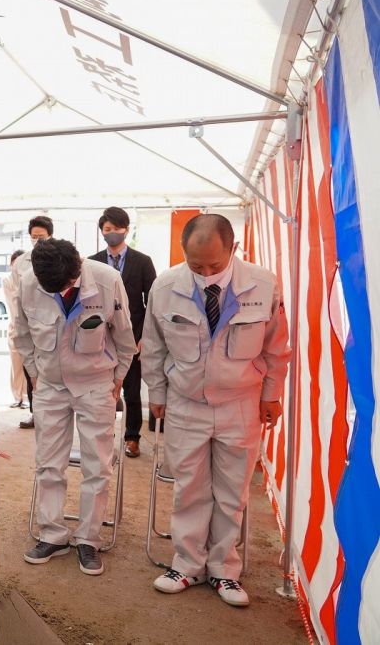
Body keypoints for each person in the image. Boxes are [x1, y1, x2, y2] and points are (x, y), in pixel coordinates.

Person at [143, 214, 290, 607]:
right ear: (183, 253)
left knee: (232, 491)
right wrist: (156, 392)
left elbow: (276, 347)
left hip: (240, 402)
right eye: (197, 266)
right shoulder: (165, 286)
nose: (206, 274)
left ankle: (225, 570)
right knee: (189, 487)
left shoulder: (262, 284)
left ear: (234, 250)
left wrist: (271, 394)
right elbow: (153, 345)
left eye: (215, 265)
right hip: (185, 402)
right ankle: (187, 565)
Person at [13, 238, 136, 576]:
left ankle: (88, 539)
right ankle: (52, 534)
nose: (63, 290)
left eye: (68, 284)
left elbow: (125, 338)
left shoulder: (108, 280)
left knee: (98, 466)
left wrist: (118, 378)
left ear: (78, 268)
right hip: (50, 386)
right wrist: (35, 375)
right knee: (48, 463)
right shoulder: (28, 283)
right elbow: (21, 334)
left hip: (96, 384)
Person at [88, 207, 157, 458]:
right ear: (102, 232)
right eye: (108, 230)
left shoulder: (142, 261)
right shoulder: (92, 262)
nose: (113, 233)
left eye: (117, 229)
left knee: (132, 389)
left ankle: (132, 437)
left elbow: (153, 303)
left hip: (133, 336)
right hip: (101, 338)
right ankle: (105, 434)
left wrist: (144, 337)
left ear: (126, 229)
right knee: (102, 389)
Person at [6, 215, 53, 429]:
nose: (37, 240)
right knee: (30, 369)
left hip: (53, 325)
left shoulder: (58, 257)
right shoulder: (22, 262)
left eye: (41, 236)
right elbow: (16, 295)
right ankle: (35, 413)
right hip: (29, 324)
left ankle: (54, 413)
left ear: (50, 235)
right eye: (34, 236)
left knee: (51, 371)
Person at [2, 249, 28, 409]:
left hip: (30, 329)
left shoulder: (30, 279)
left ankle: (26, 397)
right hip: (14, 327)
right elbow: (14, 302)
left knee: (29, 365)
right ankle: (17, 396)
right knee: (16, 364)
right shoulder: (7, 280)